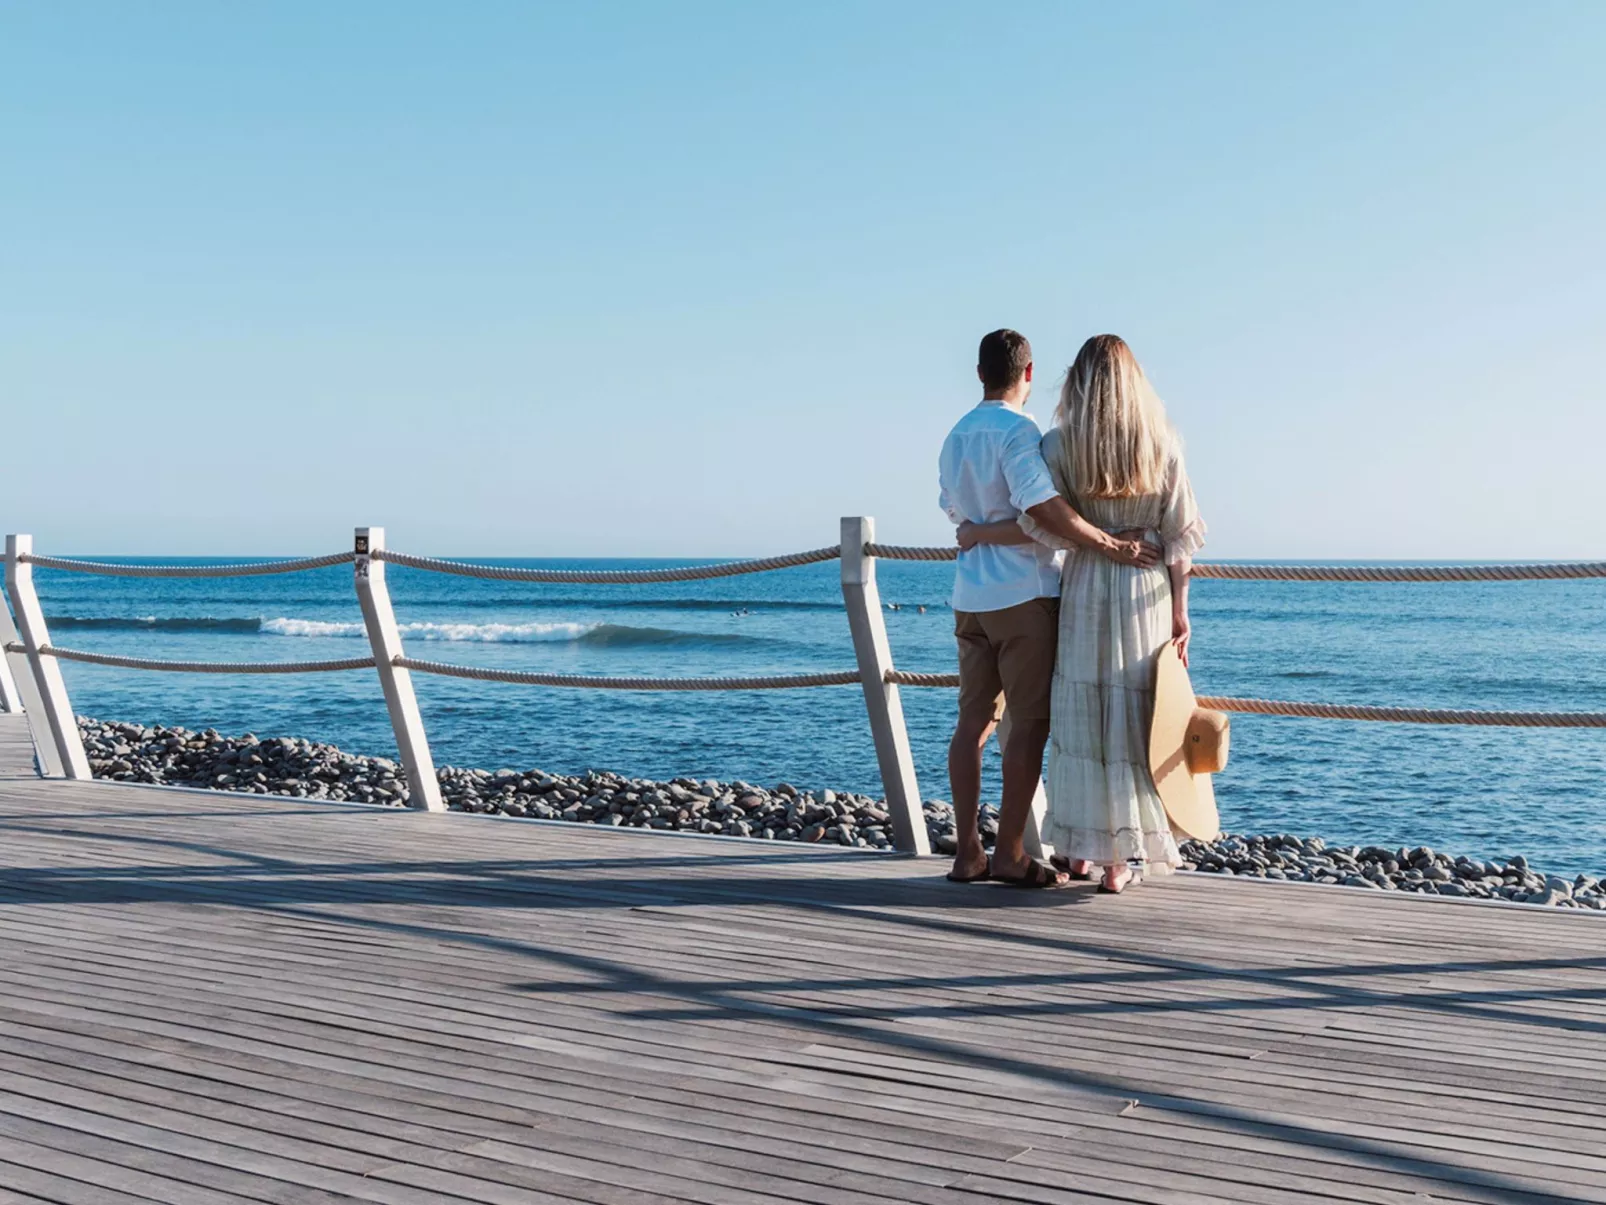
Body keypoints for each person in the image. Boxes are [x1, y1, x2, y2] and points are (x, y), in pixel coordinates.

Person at [959, 334, 1205, 893]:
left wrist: (976, 533)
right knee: (1132, 722)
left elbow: (1040, 522)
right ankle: (1120, 864)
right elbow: (1179, 541)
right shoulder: (1161, 447)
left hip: (1086, 584)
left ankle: (1078, 851)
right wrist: (1181, 614)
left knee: (1081, 718)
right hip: (1144, 590)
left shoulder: (1059, 446)